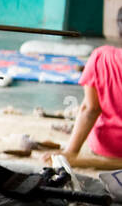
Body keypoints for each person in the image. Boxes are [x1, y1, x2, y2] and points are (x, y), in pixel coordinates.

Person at [45, 42, 122, 171]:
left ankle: (93, 161)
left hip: (105, 147)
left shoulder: (101, 56)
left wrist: (70, 152)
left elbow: (90, 109)